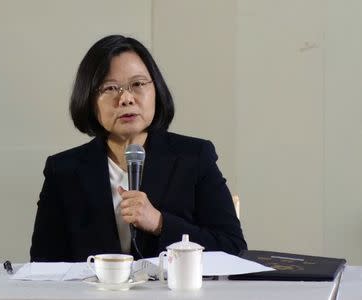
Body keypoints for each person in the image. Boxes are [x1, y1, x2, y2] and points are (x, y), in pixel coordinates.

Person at [30, 35, 247, 262]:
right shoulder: (63, 170)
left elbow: (233, 247)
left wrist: (160, 223)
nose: (126, 98)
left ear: (156, 90)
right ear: (89, 99)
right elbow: (43, 263)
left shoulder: (194, 157)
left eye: (137, 84)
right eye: (111, 88)